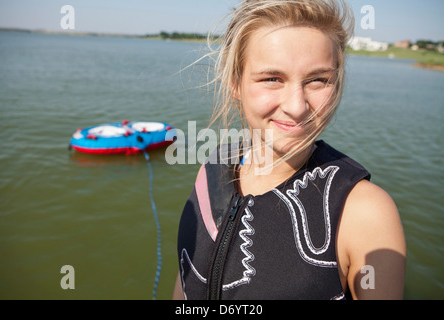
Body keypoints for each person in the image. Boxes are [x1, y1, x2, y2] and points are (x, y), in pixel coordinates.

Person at [173, 0, 406, 300]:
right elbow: (184, 282)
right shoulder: (212, 168)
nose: (297, 107)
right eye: (272, 78)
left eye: (318, 80)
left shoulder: (364, 213)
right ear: (235, 83)